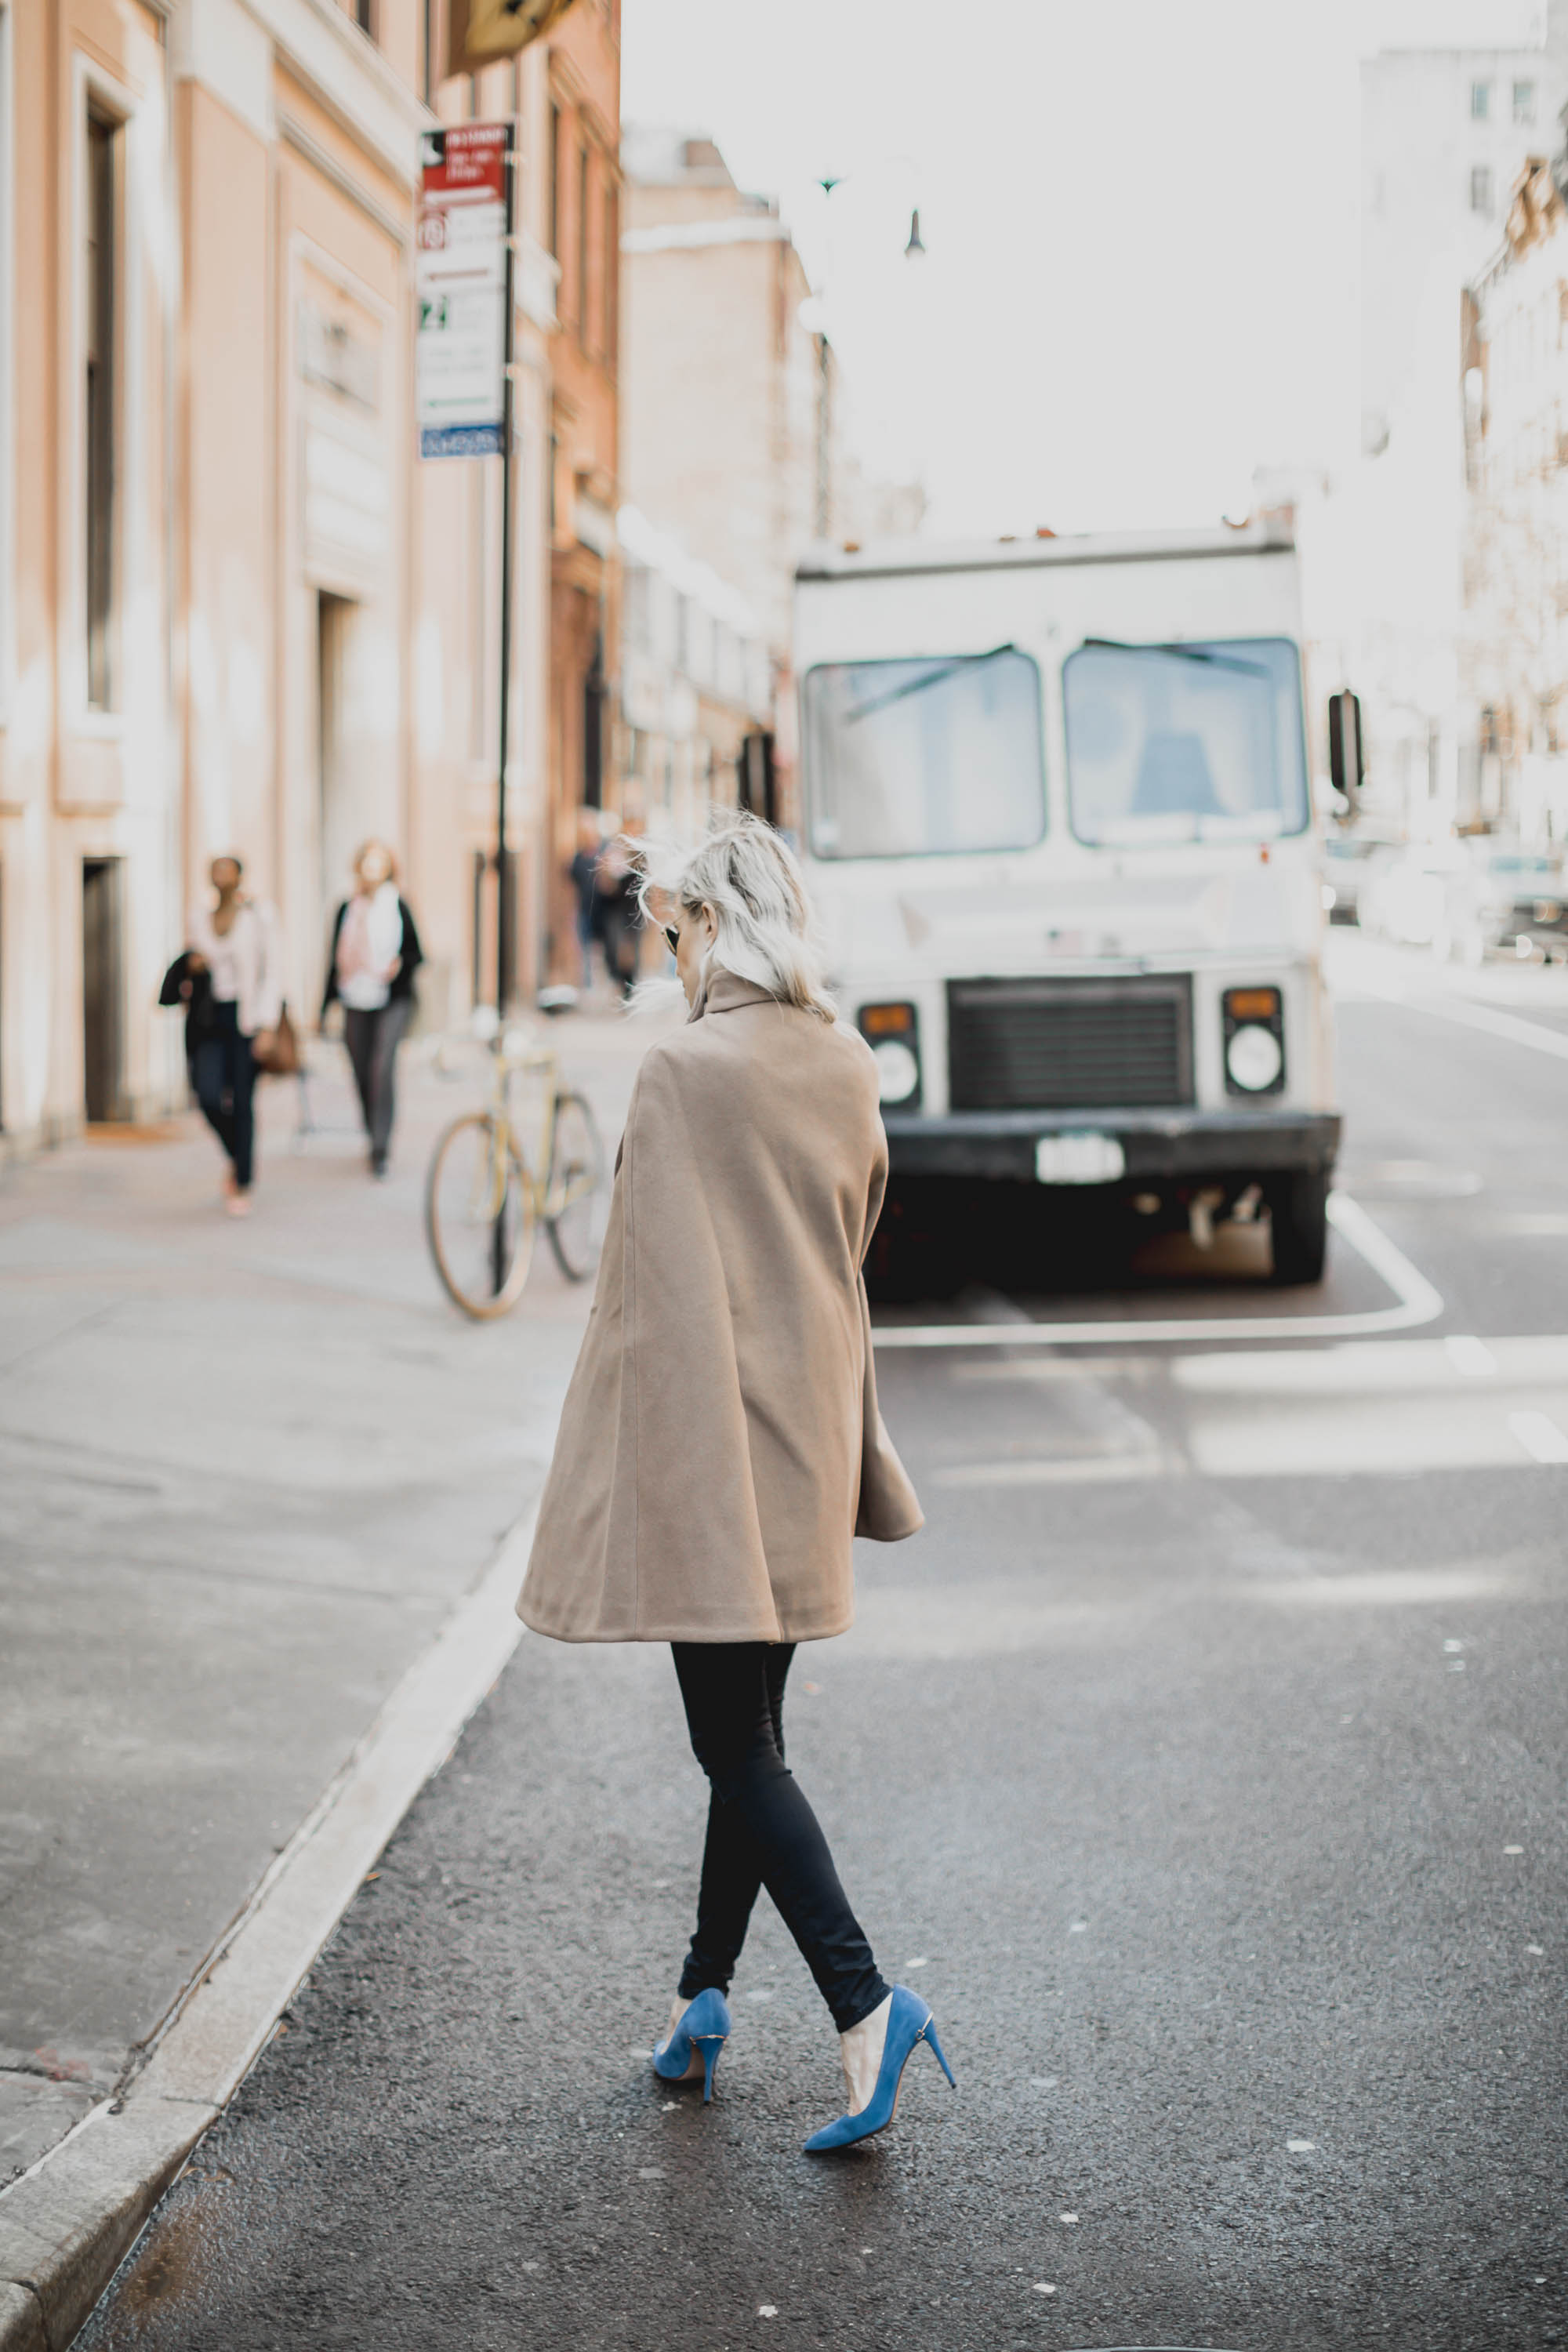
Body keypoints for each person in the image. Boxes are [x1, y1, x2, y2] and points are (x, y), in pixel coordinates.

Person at [516, 814, 954, 2154]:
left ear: (713, 926)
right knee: (752, 1746)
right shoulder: (843, 1059)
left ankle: (868, 2007)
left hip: (714, 1447)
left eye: (679, 933)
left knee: (729, 1749)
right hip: (809, 1429)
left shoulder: (681, 1072)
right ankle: (703, 1998)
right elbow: (859, 1228)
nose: (675, 960)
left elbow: (639, 1290)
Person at [180, 855, 281, 1218]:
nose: (221, 875)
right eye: (216, 869)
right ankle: (237, 1154)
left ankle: (243, 1180)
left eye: (228, 869)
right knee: (207, 1096)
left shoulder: (258, 916)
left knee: (242, 1101)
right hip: (208, 1017)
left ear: (240, 876)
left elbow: (273, 970)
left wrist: (267, 1024)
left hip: (247, 1017)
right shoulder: (198, 917)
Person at [321, 840, 424, 1179]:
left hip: (391, 999)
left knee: (382, 1068)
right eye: (367, 863)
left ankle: (381, 1145)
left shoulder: (397, 905)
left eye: (379, 863)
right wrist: (325, 1007)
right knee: (361, 1068)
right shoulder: (346, 908)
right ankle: (371, 1129)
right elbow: (333, 961)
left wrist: (398, 966)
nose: (372, 870)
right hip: (355, 996)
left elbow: (417, 954)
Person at [568, 811, 604, 990]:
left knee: (602, 950)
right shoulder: (578, 858)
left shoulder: (602, 855)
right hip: (584, 909)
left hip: (603, 910)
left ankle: (601, 983)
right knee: (585, 949)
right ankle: (588, 985)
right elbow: (572, 879)